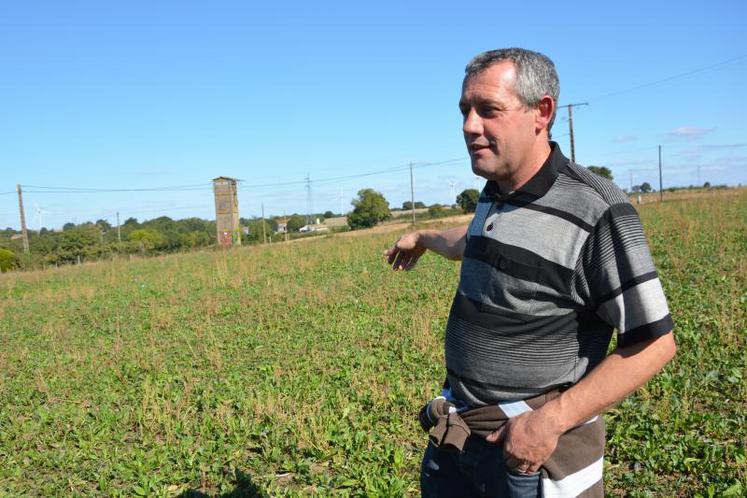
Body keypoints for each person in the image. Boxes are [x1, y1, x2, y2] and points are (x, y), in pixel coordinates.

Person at [385, 48, 676, 498]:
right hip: (459, 434)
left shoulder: (597, 210)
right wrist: (423, 237)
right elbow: (472, 241)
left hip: (530, 453)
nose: (469, 126)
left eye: (488, 110)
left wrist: (548, 423)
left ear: (542, 112)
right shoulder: (496, 193)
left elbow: (654, 342)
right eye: (465, 110)